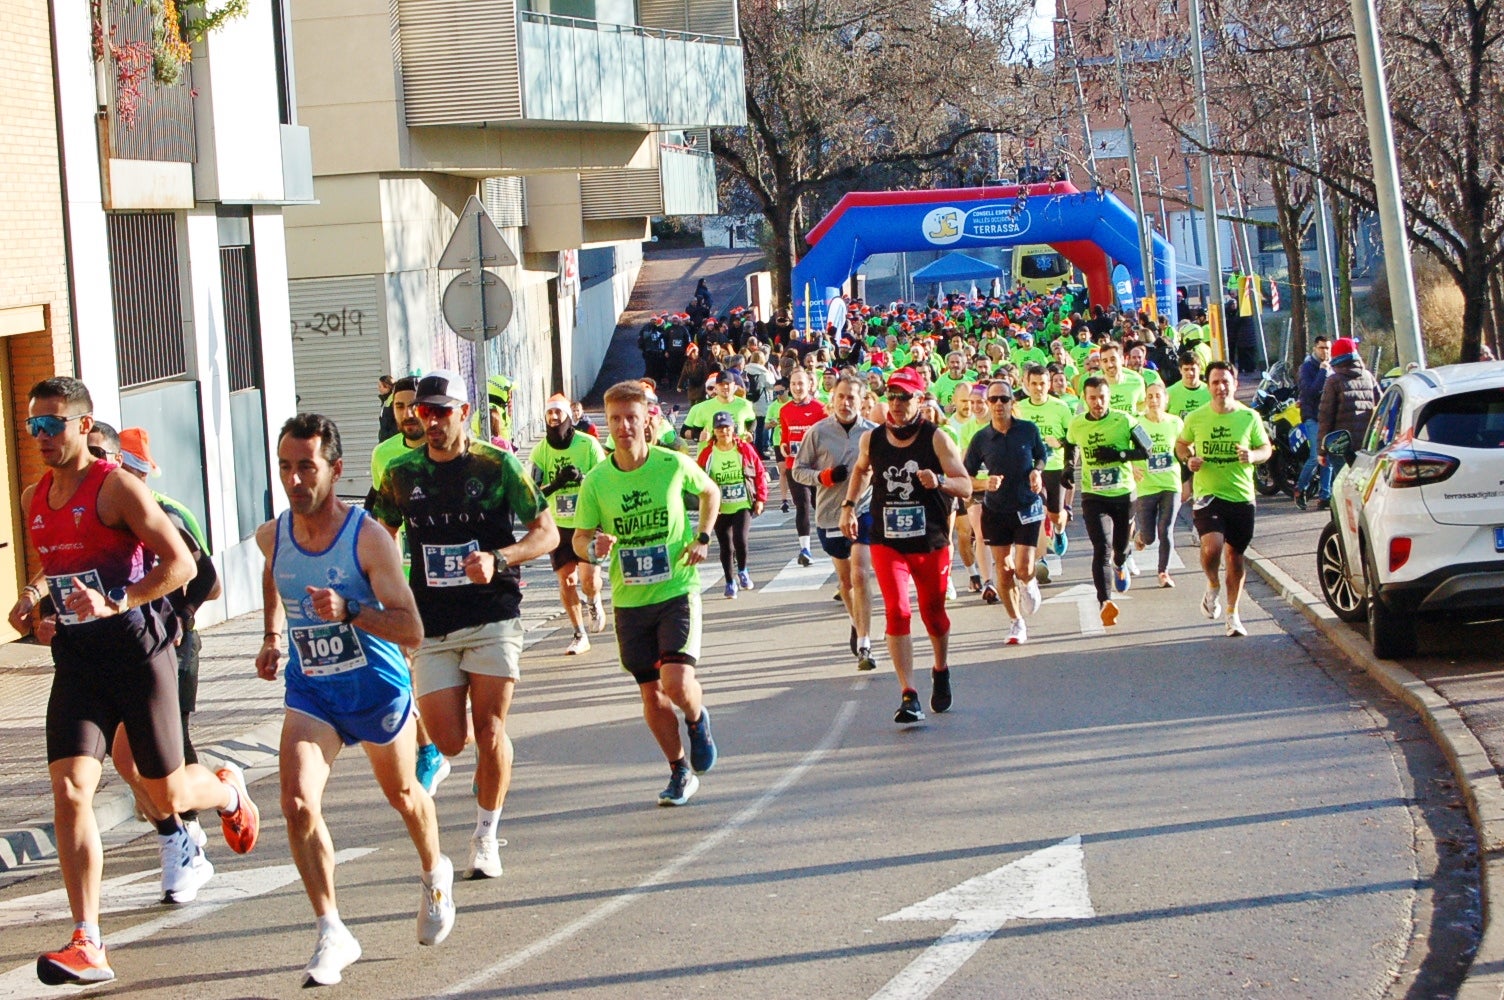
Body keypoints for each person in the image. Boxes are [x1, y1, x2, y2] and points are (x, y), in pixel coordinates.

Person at [9, 377, 258, 987]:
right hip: (78, 661)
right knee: (70, 790)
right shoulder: (31, 497)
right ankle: (87, 939)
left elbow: (181, 563)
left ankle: (226, 790)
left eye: (52, 424)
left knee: (165, 793)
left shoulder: (115, 488)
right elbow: (55, 563)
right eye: (33, 425)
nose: (41, 437)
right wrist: (34, 601)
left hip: (138, 654)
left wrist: (118, 601)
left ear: (84, 425)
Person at [256, 414, 455, 986]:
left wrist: (348, 611)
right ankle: (331, 929)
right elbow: (276, 576)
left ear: (335, 470)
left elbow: (412, 629)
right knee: (295, 802)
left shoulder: (368, 537)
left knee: (402, 794)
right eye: (287, 467)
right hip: (314, 688)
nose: (295, 480)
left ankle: (433, 870)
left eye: (307, 468)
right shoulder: (272, 535)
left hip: (375, 685)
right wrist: (273, 637)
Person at [372, 370, 558, 880]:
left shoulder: (496, 466)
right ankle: (485, 761)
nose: (428, 421)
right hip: (431, 623)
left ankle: (485, 835)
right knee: (450, 740)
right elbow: (379, 535)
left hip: (492, 615)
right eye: (422, 412)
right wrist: (382, 591)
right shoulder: (401, 473)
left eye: (441, 412)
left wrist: (501, 558)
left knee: (491, 727)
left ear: (465, 413)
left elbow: (546, 532)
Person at [89, 423, 222, 904]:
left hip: (167, 644)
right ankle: (178, 836)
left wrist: (182, 615)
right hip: (109, 651)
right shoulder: (85, 510)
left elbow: (206, 575)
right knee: (129, 763)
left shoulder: (160, 510)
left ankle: (202, 812)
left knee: (159, 753)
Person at [573, 380, 720, 805]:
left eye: (631, 418)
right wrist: (593, 548)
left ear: (646, 419)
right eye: (615, 419)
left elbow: (709, 492)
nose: (623, 427)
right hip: (630, 598)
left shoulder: (671, 464)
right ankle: (678, 770)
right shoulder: (597, 481)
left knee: (675, 683)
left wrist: (703, 536)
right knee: (650, 691)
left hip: (676, 588)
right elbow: (580, 538)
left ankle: (696, 717)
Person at [840, 369, 972, 724]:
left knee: (933, 612)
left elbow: (966, 486)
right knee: (897, 611)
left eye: (905, 397)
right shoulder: (873, 439)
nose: (897, 404)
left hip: (929, 539)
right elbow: (862, 470)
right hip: (888, 540)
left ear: (920, 400)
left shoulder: (937, 439)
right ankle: (908, 694)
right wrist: (849, 505)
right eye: (893, 397)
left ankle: (940, 668)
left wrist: (940, 480)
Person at [365, 377, 449, 794]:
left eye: (413, 406)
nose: (406, 414)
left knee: (449, 672)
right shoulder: (384, 456)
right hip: (405, 579)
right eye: (398, 407)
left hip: (452, 579)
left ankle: (483, 748)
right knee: (407, 664)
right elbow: (382, 522)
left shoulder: (448, 450)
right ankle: (428, 747)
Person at [1175, 362, 1272, 636]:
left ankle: (1232, 614)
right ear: (1209, 386)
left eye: (1225, 381)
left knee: (1235, 556)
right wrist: (1188, 459)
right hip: (1208, 494)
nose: (1221, 387)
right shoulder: (1196, 417)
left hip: (1241, 495)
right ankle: (1212, 583)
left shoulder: (1249, 417)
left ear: (1235, 384)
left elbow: (1266, 448)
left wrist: (1253, 456)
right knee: (1212, 547)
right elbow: (1181, 444)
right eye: (1215, 382)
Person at [792, 372, 878, 671]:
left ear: (862, 400)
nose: (845, 402)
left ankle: (866, 643)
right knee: (845, 581)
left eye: (852, 397)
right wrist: (823, 477)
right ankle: (857, 621)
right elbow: (798, 471)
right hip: (828, 513)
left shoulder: (873, 432)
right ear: (833, 398)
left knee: (860, 574)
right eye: (841, 396)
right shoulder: (817, 432)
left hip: (864, 511)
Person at [964, 381, 1048, 645]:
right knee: (1004, 567)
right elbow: (966, 476)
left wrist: (1037, 472)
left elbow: (1041, 456)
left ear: (1012, 402)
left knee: (1023, 567)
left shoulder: (1028, 430)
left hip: (1026, 506)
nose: (999, 404)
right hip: (996, 509)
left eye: (1004, 399)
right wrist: (983, 484)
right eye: (994, 400)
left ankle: (1029, 583)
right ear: (987, 405)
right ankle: (1016, 623)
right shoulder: (981, 439)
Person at [1066, 376, 1150, 626]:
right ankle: (1105, 602)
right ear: (1085, 399)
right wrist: (1068, 468)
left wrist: (1120, 454)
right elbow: (1071, 446)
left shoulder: (1124, 420)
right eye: (1092, 398)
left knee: (1120, 547)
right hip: (1094, 495)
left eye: (1102, 397)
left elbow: (1147, 448)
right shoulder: (1078, 424)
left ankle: (1121, 562)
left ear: (1109, 397)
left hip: (1123, 493)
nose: (1098, 402)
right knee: (1101, 547)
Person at [529, 394, 607, 654]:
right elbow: (534, 492)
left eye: (558, 413)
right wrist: (558, 483)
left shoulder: (588, 445)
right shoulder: (541, 450)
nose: (553, 418)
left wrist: (583, 477)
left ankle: (594, 600)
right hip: (558, 525)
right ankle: (579, 633)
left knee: (588, 579)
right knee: (567, 581)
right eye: (549, 413)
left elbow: (604, 481)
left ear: (568, 416)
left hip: (586, 521)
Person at [697, 410, 768, 597]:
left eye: (727, 427)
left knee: (740, 540)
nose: (724, 432)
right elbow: (698, 479)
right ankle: (729, 581)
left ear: (733, 428)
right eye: (719, 429)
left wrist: (760, 499)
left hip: (742, 503)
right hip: (720, 507)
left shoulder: (744, 449)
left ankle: (743, 571)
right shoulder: (708, 453)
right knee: (726, 546)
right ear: (714, 431)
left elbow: (759, 472)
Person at [1130, 382, 1185, 588]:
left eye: (1157, 396)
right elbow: (1125, 450)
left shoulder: (1175, 423)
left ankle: (1163, 572)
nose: (1154, 401)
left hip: (1171, 482)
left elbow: (1184, 447)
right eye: (1150, 396)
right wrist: (1132, 468)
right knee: (1150, 536)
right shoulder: (1136, 424)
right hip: (1146, 486)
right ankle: (1141, 536)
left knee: (1166, 529)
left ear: (1165, 399)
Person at [777, 369, 827, 566]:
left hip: (816, 466)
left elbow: (828, 436)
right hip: (795, 465)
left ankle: (831, 542)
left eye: (801, 384)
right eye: (794, 384)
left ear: (809, 385)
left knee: (819, 506)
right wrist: (783, 446)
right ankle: (805, 549)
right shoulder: (785, 410)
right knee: (802, 506)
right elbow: (785, 436)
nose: (797, 388)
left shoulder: (820, 409)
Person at [1316, 336, 1379, 479]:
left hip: (1341, 445)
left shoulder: (1334, 381)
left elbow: (1325, 417)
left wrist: (1321, 450)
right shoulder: (1368, 376)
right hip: (1368, 445)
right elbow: (1381, 405)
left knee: (1344, 486)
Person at [1293, 336, 1332, 510]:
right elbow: (1310, 392)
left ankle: (1325, 495)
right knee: (1316, 456)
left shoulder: (1332, 367)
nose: (1325, 352)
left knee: (1327, 457)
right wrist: (1323, 371)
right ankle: (1300, 489)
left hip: (1328, 417)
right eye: (1322, 348)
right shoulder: (1307, 367)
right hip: (1312, 416)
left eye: (1328, 348)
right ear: (1315, 348)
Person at [682, 372, 756, 444]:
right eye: (721, 384)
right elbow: (690, 431)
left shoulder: (745, 404)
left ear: (733, 385)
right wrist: (699, 436)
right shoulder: (702, 407)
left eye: (728, 384)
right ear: (716, 387)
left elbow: (752, 421)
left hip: (738, 453)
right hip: (711, 453)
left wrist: (750, 432)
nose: (725, 387)